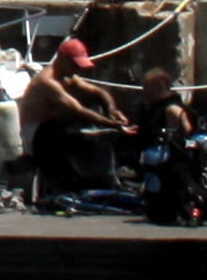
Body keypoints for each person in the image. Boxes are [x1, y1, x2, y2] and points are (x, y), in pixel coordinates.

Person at [19, 39, 130, 196]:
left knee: (96, 107)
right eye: (75, 65)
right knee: (91, 130)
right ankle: (82, 179)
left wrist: (112, 111)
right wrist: (112, 124)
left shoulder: (69, 76)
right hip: (37, 135)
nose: (77, 70)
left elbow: (99, 92)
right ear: (62, 59)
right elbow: (78, 110)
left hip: (59, 126)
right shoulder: (47, 81)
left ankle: (104, 176)